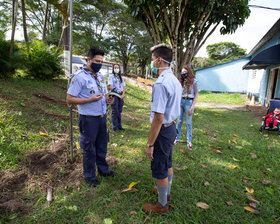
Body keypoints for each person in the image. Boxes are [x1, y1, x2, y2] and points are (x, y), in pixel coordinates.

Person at [66, 47, 115, 187]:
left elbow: (104, 95)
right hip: (88, 119)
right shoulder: (79, 77)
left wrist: (108, 100)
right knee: (89, 148)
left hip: (101, 118)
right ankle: (89, 176)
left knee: (102, 146)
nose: (99, 64)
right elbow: (69, 99)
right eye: (96, 61)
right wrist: (89, 100)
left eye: (101, 61)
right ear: (88, 60)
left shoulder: (100, 77)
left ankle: (103, 170)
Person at [142, 44, 182, 214]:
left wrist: (150, 144)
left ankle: (162, 205)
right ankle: (166, 193)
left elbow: (158, 117)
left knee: (160, 167)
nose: (151, 63)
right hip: (171, 127)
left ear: (159, 60)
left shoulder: (161, 83)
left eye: (152, 60)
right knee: (167, 162)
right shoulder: (174, 80)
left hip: (163, 130)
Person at [174, 65, 199, 150]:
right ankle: (176, 139)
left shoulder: (194, 81)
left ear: (189, 72)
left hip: (189, 102)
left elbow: (196, 94)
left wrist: (192, 106)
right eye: (182, 72)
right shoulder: (181, 81)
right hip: (181, 101)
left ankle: (189, 141)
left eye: (185, 72)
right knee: (179, 121)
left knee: (189, 123)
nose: (183, 74)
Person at [108, 64, 126, 131]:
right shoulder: (111, 76)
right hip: (114, 95)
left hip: (120, 96)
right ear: (113, 68)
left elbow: (124, 86)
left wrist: (122, 94)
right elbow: (110, 86)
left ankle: (119, 126)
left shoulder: (121, 77)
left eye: (117, 68)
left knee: (119, 111)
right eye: (115, 67)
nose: (116, 69)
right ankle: (115, 127)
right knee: (115, 111)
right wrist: (117, 92)